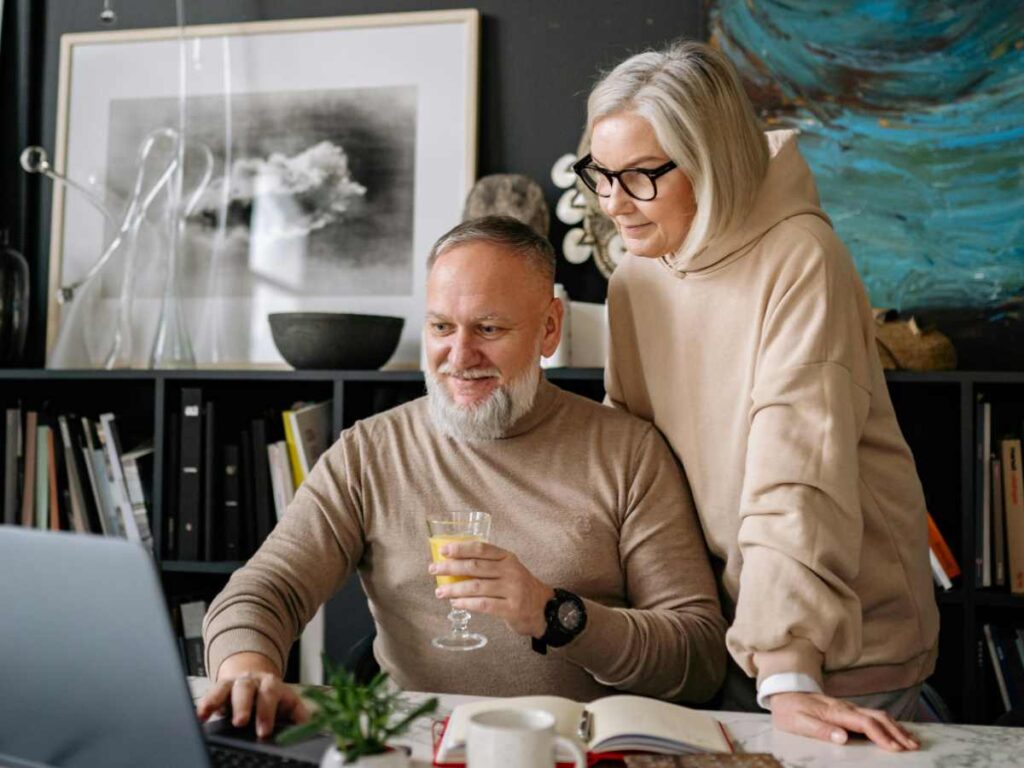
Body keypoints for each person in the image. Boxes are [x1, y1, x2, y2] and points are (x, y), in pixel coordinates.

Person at [197, 216, 727, 739]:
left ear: (549, 328)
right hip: (415, 744)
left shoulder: (628, 453)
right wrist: (246, 671)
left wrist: (554, 614)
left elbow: (698, 658)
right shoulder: (371, 451)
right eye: (441, 327)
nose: (460, 355)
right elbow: (267, 588)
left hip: (575, 750)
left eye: (489, 329)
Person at [577, 42, 939, 751]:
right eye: (599, 172)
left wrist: (788, 668)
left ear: (711, 163)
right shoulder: (636, 276)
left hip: (839, 640)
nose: (613, 202)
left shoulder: (801, 257)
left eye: (641, 176)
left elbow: (796, 468)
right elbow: (635, 455)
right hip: (725, 624)